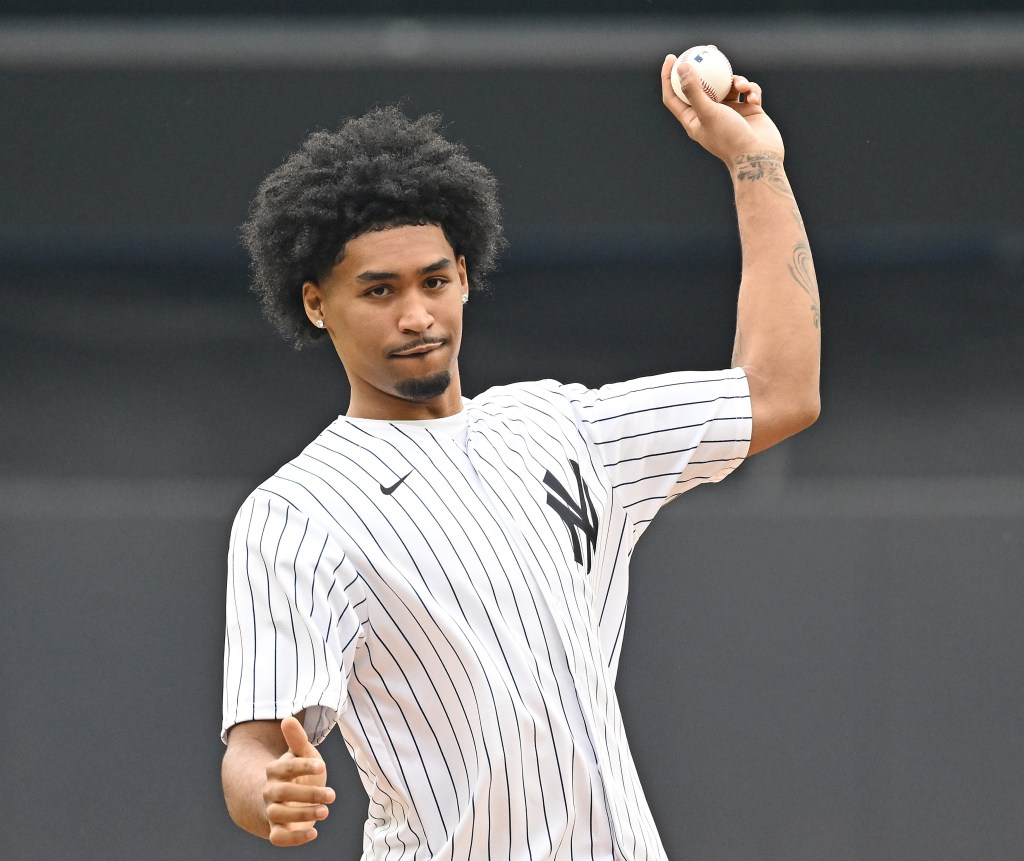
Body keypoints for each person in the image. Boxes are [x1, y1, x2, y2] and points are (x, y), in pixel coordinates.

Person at [220, 53, 820, 858]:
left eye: (434, 280)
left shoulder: (563, 425)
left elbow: (781, 391)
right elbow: (253, 746)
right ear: (316, 303)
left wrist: (756, 163)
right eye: (378, 290)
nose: (416, 313)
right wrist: (269, 794)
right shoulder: (299, 513)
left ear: (465, 277)